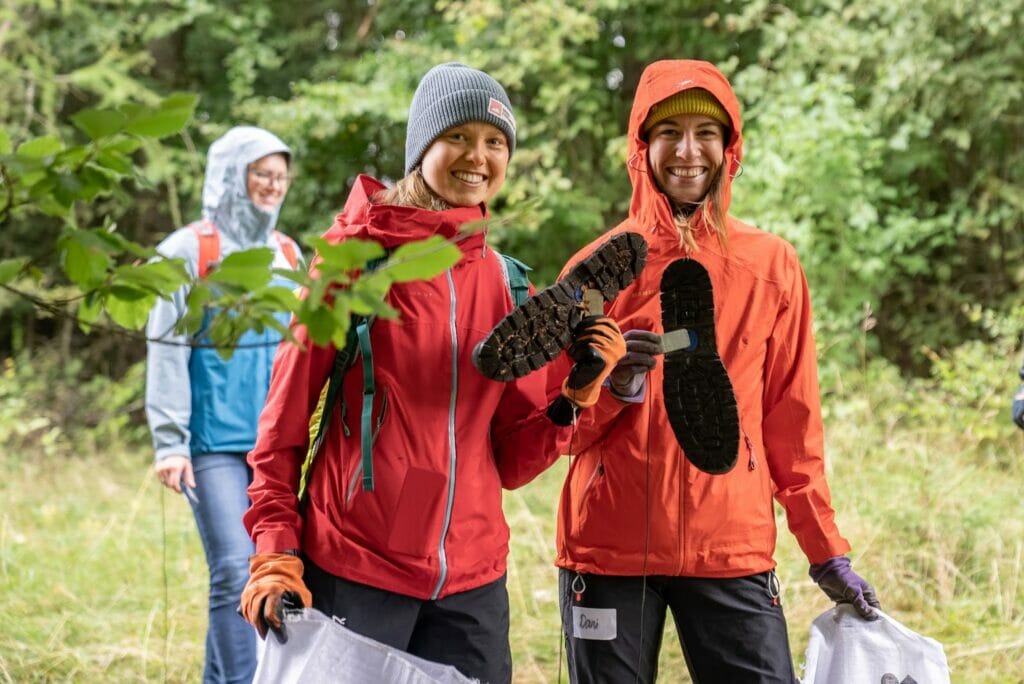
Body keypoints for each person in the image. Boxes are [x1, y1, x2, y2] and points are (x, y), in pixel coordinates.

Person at [238, 63, 627, 684]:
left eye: (495, 142)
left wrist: (575, 395)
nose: (479, 156)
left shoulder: (507, 283)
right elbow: (280, 428)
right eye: (460, 137)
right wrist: (275, 556)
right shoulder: (351, 267)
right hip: (355, 567)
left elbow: (513, 462)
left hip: (471, 584)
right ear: (423, 147)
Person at [544, 59, 882, 683]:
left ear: (731, 148)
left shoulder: (772, 266)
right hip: (609, 547)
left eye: (707, 131)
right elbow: (558, 430)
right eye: (669, 132)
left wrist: (826, 551)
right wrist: (615, 390)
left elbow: (792, 423)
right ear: (641, 146)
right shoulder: (596, 270)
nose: (688, 150)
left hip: (731, 545)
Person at [145, 126, 302, 684]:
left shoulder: (286, 253)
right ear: (233, 176)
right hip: (210, 447)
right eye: (261, 173)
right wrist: (169, 442)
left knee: (269, 570)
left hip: (273, 447)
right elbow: (166, 349)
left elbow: (300, 352)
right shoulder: (189, 251)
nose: (272, 185)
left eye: (281, 176)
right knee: (236, 567)